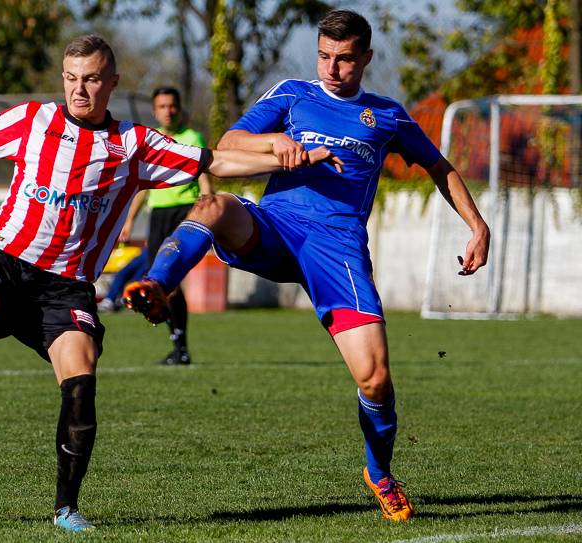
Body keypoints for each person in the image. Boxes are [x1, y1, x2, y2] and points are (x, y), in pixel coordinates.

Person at [0, 34, 341, 533]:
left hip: (66, 287)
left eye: (91, 79)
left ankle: (66, 508)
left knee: (80, 377)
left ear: (111, 82)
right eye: (70, 78)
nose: (78, 89)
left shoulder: (134, 144)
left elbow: (216, 161)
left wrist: (292, 154)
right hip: (7, 259)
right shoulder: (31, 121)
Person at [123, 10, 490, 522]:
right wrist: (280, 144)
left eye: (343, 59)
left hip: (337, 250)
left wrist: (477, 226)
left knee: (376, 380)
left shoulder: (386, 115)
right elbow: (227, 145)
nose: (331, 68)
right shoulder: (293, 93)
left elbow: (438, 167)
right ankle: (157, 285)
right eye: (323, 56)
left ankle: (379, 472)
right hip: (274, 228)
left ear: (365, 58)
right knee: (214, 206)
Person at [120, 86, 214, 365]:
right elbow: (142, 186)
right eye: (162, 106)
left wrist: (208, 201)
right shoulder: (152, 141)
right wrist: (129, 220)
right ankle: (178, 347)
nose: (168, 111)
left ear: (179, 107)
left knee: (170, 282)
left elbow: (204, 171)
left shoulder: (191, 137)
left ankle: (181, 347)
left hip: (183, 213)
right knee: (158, 286)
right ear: (155, 110)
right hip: (158, 214)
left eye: (172, 106)